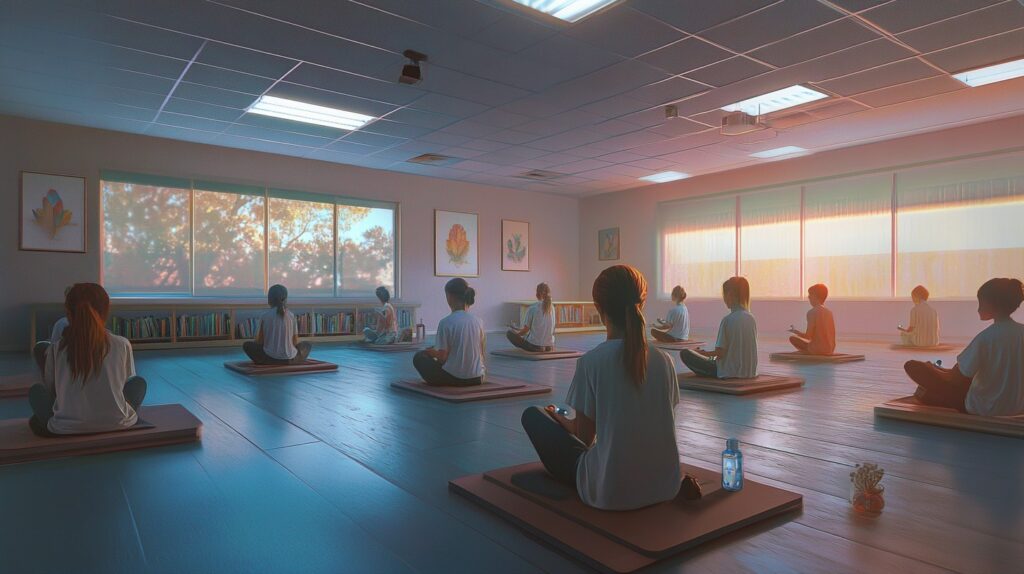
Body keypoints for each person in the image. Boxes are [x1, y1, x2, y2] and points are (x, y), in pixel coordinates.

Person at [520, 265, 684, 510]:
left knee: (533, 415)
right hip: (666, 487)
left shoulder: (592, 362)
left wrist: (558, 416)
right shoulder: (665, 361)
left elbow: (585, 437)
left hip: (610, 492)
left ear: (599, 308)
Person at [28, 283, 146, 437]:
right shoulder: (122, 344)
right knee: (138, 383)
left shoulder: (56, 349)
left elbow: (52, 390)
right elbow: (124, 384)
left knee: (36, 393)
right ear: (105, 311)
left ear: (68, 314)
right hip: (118, 424)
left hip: (64, 428)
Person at [904, 278, 1024, 416]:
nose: (978, 308)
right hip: (1018, 407)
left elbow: (955, 379)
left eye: (981, 303)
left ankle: (930, 395)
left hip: (983, 407)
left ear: (992, 304)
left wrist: (931, 369)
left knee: (912, 367)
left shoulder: (985, 338)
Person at [680, 277, 758, 379]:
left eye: (724, 295)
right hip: (749, 373)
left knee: (685, 353)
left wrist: (703, 354)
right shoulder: (751, 319)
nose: (724, 299)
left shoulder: (727, 320)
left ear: (730, 295)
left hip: (727, 372)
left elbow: (719, 354)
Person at [413, 278, 485, 386]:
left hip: (455, 379)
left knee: (419, 357)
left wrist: (430, 352)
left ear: (449, 297)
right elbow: (481, 352)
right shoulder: (479, 321)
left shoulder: (445, 322)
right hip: (477, 378)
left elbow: (442, 358)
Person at [242, 284, 312, 365]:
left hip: (268, 358)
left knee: (247, 345)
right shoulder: (291, 315)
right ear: (285, 299)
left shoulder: (264, 316)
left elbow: (260, 341)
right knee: (307, 344)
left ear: (269, 300)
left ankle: (264, 361)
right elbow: (295, 341)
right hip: (291, 360)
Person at [788, 283, 836, 355]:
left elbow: (808, 336)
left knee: (792, 339)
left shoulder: (812, 312)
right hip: (830, 349)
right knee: (813, 343)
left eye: (810, 295)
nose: (808, 297)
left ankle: (807, 352)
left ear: (816, 296)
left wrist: (796, 332)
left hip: (817, 350)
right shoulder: (829, 312)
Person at [507, 283, 556, 352]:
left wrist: (517, 335)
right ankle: (544, 346)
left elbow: (525, 330)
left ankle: (539, 347)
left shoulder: (533, 308)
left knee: (509, 333)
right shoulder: (552, 308)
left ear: (537, 294)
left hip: (535, 346)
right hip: (549, 346)